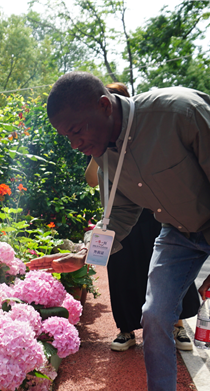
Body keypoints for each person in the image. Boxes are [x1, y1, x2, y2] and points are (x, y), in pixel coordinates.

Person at [28, 72, 210, 391]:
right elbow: (118, 216)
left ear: (104, 106)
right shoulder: (105, 151)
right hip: (178, 232)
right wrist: (82, 254)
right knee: (155, 316)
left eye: (78, 131)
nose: (76, 144)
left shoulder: (180, 112)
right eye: (68, 137)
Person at [84, 82, 199, 353]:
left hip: (154, 215)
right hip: (119, 218)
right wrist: (97, 151)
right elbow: (91, 180)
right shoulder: (99, 145)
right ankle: (126, 329)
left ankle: (177, 325)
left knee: (164, 272)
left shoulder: (146, 135)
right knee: (122, 272)